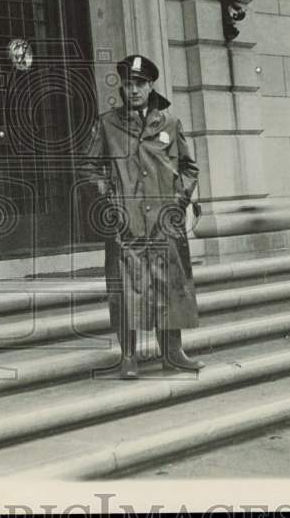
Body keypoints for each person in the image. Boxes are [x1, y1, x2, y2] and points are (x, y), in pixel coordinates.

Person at [79, 54, 204, 379]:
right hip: (126, 223)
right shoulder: (107, 123)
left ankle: (173, 354)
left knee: (169, 285)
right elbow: (88, 168)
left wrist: (178, 199)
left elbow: (189, 168)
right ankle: (129, 357)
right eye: (128, 83)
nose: (132, 89)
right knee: (126, 289)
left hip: (164, 222)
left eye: (139, 83)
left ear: (150, 86)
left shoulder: (170, 124)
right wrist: (111, 200)